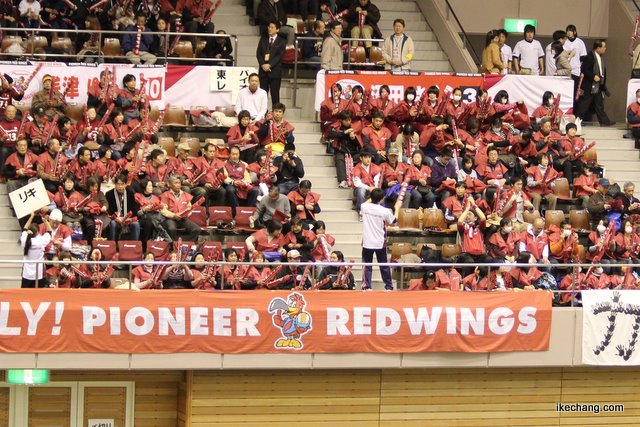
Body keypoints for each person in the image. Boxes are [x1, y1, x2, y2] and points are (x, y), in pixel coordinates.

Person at [360, 188, 395, 290]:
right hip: (380, 242)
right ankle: (388, 286)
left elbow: (368, 201)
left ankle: (366, 286)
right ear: (382, 199)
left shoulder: (364, 206)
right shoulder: (385, 211)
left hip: (367, 242)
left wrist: (373, 194)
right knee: (384, 265)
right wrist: (397, 209)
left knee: (367, 266)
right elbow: (393, 221)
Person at [575, 39, 615, 126]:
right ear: (598, 48)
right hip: (589, 85)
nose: (605, 49)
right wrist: (593, 76)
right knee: (584, 104)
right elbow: (584, 69)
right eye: (604, 47)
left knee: (599, 104)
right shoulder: (589, 57)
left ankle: (604, 122)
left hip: (597, 85)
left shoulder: (599, 57)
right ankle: (577, 121)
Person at [256, 21, 286, 104]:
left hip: (275, 71)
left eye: (272, 27)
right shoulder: (263, 39)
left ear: (277, 29)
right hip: (263, 71)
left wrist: (269, 65)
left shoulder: (282, 41)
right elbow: (258, 53)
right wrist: (263, 65)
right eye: (269, 27)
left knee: (275, 95)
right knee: (262, 95)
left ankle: (275, 111)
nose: (269, 29)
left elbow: (279, 55)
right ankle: (263, 111)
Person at [20, 211, 52, 288]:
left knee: (24, 294)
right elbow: (49, 231)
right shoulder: (41, 241)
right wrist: (45, 221)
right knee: (37, 294)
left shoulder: (24, 240)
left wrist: (31, 216)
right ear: (38, 232)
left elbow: (24, 229)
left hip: (26, 274)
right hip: (38, 275)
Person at [564, 24, 588, 104]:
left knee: (574, 92)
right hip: (566, 71)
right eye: (567, 31)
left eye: (571, 31)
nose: (569, 32)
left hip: (576, 71)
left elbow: (583, 57)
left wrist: (582, 71)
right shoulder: (564, 42)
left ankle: (573, 109)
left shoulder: (580, 42)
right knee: (566, 91)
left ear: (574, 32)